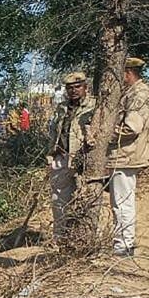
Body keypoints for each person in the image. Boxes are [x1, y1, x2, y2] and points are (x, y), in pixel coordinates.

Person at [106, 57, 149, 257]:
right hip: (124, 154)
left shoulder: (139, 94)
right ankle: (123, 243)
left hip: (126, 154)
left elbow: (132, 127)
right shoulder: (132, 93)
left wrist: (105, 135)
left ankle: (124, 245)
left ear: (128, 73)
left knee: (122, 202)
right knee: (121, 201)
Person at [47, 72, 96, 242]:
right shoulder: (61, 107)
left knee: (86, 199)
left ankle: (85, 239)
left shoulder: (94, 106)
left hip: (83, 158)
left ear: (85, 87)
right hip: (61, 156)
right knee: (59, 200)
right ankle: (60, 238)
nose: (73, 91)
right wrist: (51, 154)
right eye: (70, 88)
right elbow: (54, 131)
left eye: (77, 87)